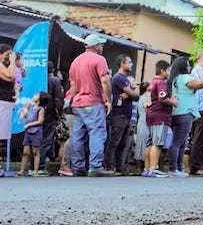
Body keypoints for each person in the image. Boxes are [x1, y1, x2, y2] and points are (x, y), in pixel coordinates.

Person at [68, 34, 113, 177]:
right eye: (101, 45)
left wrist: (73, 100)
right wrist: (108, 100)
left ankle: (77, 167)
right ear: (96, 46)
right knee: (97, 133)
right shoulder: (100, 59)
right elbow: (105, 81)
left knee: (77, 135)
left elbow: (73, 85)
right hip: (93, 102)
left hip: (77, 103)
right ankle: (95, 167)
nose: (102, 47)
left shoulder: (75, 61)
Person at [167, 56, 203, 178]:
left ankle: (178, 168)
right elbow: (201, 84)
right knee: (178, 142)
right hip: (185, 112)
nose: (190, 67)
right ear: (183, 67)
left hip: (176, 112)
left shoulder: (174, 78)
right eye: (188, 65)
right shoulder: (185, 77)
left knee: (180, 141)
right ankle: (173, 169)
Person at [106, 55, 139, 175]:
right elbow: (135, 95)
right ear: (122, 63)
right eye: (129, 62)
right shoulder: (119, 78)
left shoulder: (125, 79)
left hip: (126, 115)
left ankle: (120, 168)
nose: (131, 64)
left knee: (123, 143)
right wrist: (131, 92)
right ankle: (109, 167)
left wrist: (130, 93)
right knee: (114, 142)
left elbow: (134, 96)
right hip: (118, 115)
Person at [144, 60, 177, 178]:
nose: (169, 72)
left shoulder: (151, 82)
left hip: (150, 115)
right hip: (160, 116)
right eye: (168, 70)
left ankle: (147, 169)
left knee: (149, 143)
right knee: (157, 143)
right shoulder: (161, 82)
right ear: (162, 70)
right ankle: (153, 169)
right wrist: (172, 101)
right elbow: (163, 99)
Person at [18, 92, 49, 176]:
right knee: (25, 152)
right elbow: (23, 116)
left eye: (36, 95)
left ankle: (35, 170)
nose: (34, 95)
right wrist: (24, 110)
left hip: (36, 132)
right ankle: (21, 170)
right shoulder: (30, 106)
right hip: (28, 132)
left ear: (39, 100)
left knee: (35, 151)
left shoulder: (40, 109)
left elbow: (40, 121)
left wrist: (29, 124)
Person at [40, 62, 64, 171]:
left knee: (46, 136)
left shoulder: (40, 79)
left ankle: (51, 156)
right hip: (51, 112)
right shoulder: (55, 81)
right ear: (52, 70)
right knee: (48, 137)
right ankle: (40, 164)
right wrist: (59, 112)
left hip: (39, 110)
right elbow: (58, 98)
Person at [0, 45, 16, 170]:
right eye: (8, 54)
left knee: (3, 134)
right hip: (1, 101)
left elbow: (13, 77)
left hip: (6, 102)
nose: (9, 57)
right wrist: (12, 61)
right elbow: (11, 75)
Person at [134, 81, 150, 173]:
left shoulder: (140, 98)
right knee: (144, 143)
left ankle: (139, 168)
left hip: (141, 121)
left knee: (140, 143)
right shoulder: (145, 98)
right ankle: (143, 167)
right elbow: (148, 108)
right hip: (145, 121)